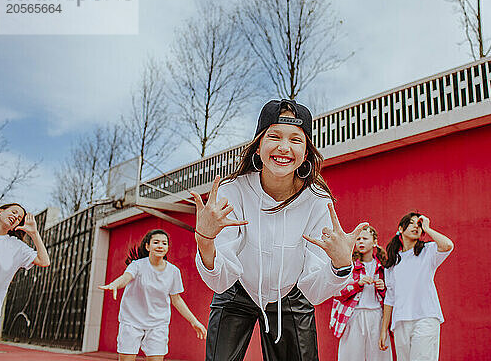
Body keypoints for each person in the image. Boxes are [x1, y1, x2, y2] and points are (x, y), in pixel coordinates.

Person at [191, 99, 367, 361]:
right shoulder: (232, 190)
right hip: (237, 290)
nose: (284, 148)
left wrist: (341, 264)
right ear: (258, 145)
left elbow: (315, 290)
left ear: (306, 152)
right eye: (274, 136)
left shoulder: (317, 201)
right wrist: (205, 240)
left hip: (290, 295)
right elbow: (220, 280)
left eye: (296, 139)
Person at [99, 229, 207, 361]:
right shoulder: (137, 266)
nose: (160, 246)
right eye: (156, 242)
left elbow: (177, 299)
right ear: (147, 246)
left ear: (167, 247)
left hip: (158, 323)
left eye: (164, 243)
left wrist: (194, 321)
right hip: (131, 320)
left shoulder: (173, 272)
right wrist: (115, 284)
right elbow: (126, 277)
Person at [379, 212, 454, 361]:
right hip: (400, 321)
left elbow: (448, 245)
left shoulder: (428, 251)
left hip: (426, 318)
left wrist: (428, 228)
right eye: (411, 223)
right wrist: (383, 330)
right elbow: (390, 298)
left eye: (419, 224)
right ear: (400, 228)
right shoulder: (392, 264)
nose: (416, 226)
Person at [0, 203, 50, 340]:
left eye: (19, 218)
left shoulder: (16, 246)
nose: (16, 217)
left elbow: (44, 261)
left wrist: (34, 232)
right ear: (0, 211)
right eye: (14, 212)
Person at [330, 225, 392, 360]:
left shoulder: (383, 266)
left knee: (379, 356)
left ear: (375, 242)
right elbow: (338, 293)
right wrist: (358, 284)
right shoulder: (349, 265)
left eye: (365, 238)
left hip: (377, 316)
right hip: (353, 316)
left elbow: (392, 296)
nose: (361, 242)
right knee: (351, 356)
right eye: (358, 239)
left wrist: (383, 289)